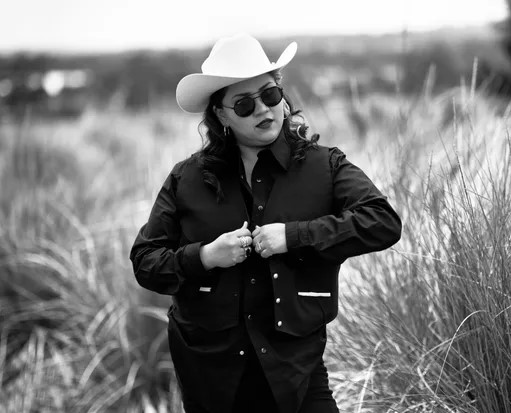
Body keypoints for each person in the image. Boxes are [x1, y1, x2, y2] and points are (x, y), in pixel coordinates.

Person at [129, 33, 402, 413]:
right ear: (221, 115)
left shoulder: (325, 166)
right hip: (211, 377)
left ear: (282, 97)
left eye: (270, 95)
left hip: (296, 372)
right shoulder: (185, 179)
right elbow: (145, 261)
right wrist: (205, 256)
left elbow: (383, 222)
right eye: (244, 104)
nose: (263, 110)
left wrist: (295, 236)